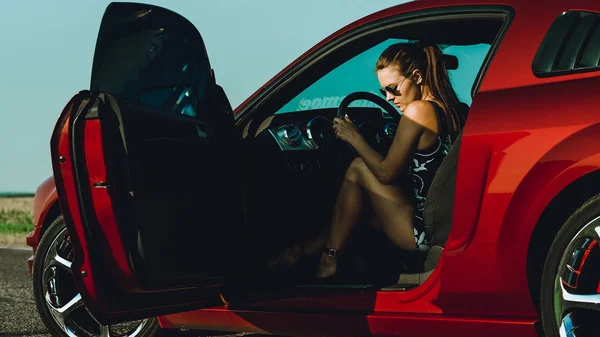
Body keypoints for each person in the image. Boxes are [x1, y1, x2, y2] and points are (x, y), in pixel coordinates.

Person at [269, 42, 467, 278]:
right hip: (446, 223)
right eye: (384, 91)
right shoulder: (457, 110)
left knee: (358, 168)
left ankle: (327, 261)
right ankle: (298, 253)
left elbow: (386, 173)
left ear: (416, 76)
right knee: (353, 212)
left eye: (393, 89)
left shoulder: (418, 111)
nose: (389, 98)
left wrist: (354, 137)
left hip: (422, 232)